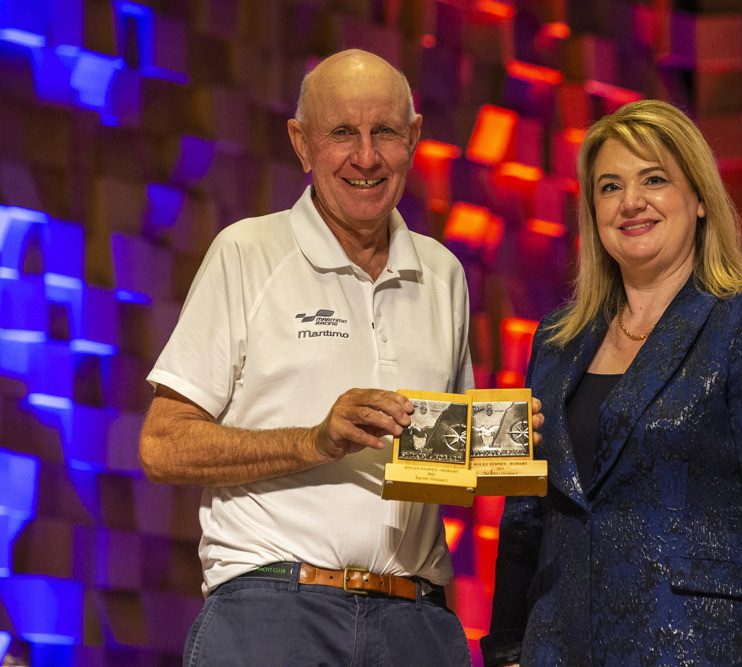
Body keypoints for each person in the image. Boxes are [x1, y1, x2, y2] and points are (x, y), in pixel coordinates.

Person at [139, 49, 540, 666]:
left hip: (418, 618)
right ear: (301, 145)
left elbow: (437, 455)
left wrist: (511, 443)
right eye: (342, 134)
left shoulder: (443, 272)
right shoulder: (247, 252)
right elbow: (163, 445)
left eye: (384, 131)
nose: (366, 157)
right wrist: (315, 440)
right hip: (273, 610)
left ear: (413, 139)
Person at [480, 100, 742, 667]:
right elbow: (525, 512)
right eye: (610, 187)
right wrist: (510, 648)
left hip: (701, 646)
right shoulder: (556, 340)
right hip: (557, 647)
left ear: (700, 199)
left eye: (653, 180)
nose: (630, 202)